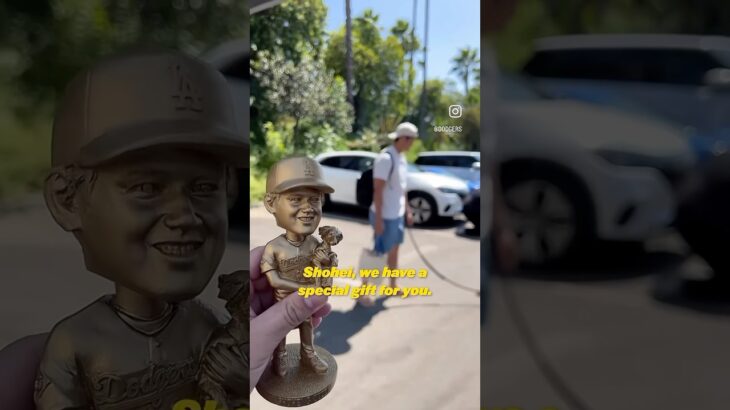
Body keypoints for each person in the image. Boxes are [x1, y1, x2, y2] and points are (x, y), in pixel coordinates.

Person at [34, 50, 249, 409]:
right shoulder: (77, 344)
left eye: (204, 188)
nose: (185, 217)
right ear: (67, 200)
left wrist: (243, 381)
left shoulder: (201, 327)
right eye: (146, 189)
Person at [259, 157, 336, 378]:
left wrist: (327, 265)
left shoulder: (315, 245)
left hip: (305, 303)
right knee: (280, 331)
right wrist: (304, 288)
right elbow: (273, 281)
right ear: (271, 203)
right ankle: (280, 354)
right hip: (281, 302)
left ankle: (308, 353)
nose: (308, 209)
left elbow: (322, 272)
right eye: (295, 199)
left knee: (308, 324)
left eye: (315, 199)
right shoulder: (274, 248)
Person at [360, 122, 418, 305]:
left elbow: (402, 188)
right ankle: (364, 292)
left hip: (397, 214)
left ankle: (392, 286)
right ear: (402, 138)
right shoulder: (386, 158)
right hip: (384, 215)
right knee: (378, 253)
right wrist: (378, 220)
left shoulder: (401, 158)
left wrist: (407, 210)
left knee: (394, 250)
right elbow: (378, 190)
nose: (412, 144)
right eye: (411, 140)